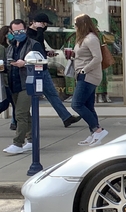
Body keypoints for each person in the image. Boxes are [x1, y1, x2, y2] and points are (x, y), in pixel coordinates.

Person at [27, 12, 81, 128]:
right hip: (35, 68)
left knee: (51, 94)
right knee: (29, 96)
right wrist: (40, 30)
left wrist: (47, 53)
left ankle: (66, 117)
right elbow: (35, 45)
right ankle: (15, 121)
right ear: (39, 23)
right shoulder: (30, 34)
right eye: (44, 24)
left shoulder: (36, 33)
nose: (45, 26)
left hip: (41, 67)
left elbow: (39, 49)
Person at [2, 19, 45, 154]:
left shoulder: (33, 44)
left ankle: (18, 143)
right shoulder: (11, 46)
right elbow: (8, 65)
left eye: (21, 30)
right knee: (25, 114)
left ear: (26, 29)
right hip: (14, 83)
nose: (19, 33)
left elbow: (43, 64)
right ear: (11, 32)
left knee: (19, 113)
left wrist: (25, 63)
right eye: (16, 31)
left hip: (28, 82)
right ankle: (32, 140)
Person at [70, 14, 108, 147]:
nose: (74, 27)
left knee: (76, 104)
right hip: (84, 75)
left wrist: (84, 70)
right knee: (88, 106)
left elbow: (98, 58)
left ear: (82, 25)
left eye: (75, 24)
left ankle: (98, 130)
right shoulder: (83, 39)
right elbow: (84, 55)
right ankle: (95, 134)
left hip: (88, 76)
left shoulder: (91, 38)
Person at [0, 25, 17, 130]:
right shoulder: (3, 48)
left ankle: (15, 122)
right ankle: (15, 122)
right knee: (7, 102)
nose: (12, 35)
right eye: (10, 32)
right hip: (6, 78)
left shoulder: (12, 45)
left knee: (14, 103)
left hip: (10, 78)